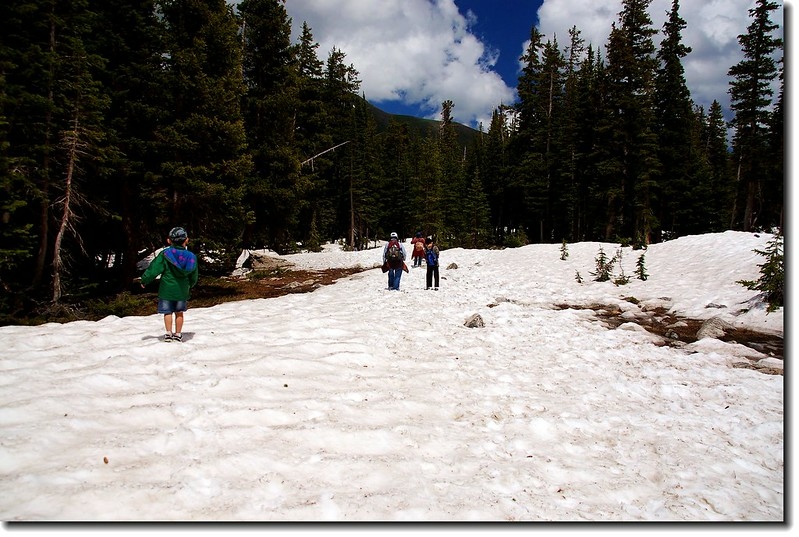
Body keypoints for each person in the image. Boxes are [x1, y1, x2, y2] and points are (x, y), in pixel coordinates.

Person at [140, 227, 199, 342]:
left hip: (166, 289)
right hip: (182, 290)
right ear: (186, 240)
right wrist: (190, 284)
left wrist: (145, 280)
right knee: (179, 313)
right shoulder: (191, 257)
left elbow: (154, 269)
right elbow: (194, 274)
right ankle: (178, 334)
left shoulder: (165, 254)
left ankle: (168, 333)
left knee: (167, 312)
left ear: (169, 240)